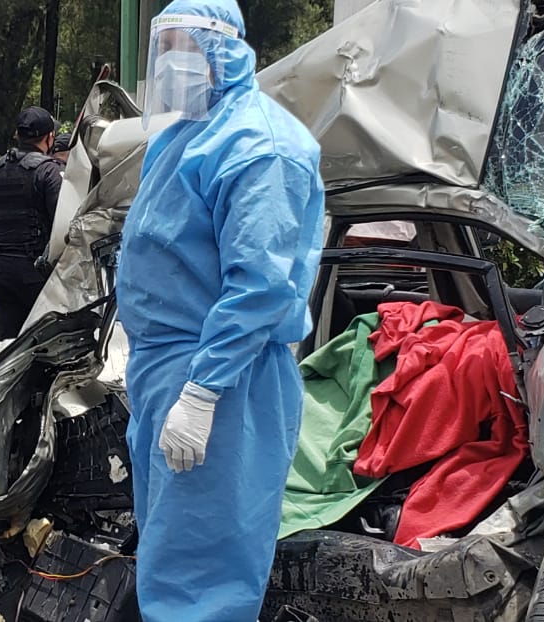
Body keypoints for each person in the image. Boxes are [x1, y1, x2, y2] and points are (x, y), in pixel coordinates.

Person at [114, 2, 325, 620]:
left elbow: (260, 285)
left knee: (201, 574)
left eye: (185, 43)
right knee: (168, 548)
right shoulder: (186, 134)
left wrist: (203, 391)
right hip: (166, 369)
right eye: (165, 44)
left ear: (225, 48)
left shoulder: (259, 144)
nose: (171, 59)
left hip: (226, 378)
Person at [0, 106, 64, 340]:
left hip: (2, 274)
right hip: (37, 274)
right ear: (49, 137)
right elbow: (61, 224)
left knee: (5, 344)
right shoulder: (48, 171)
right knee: (45, 343)